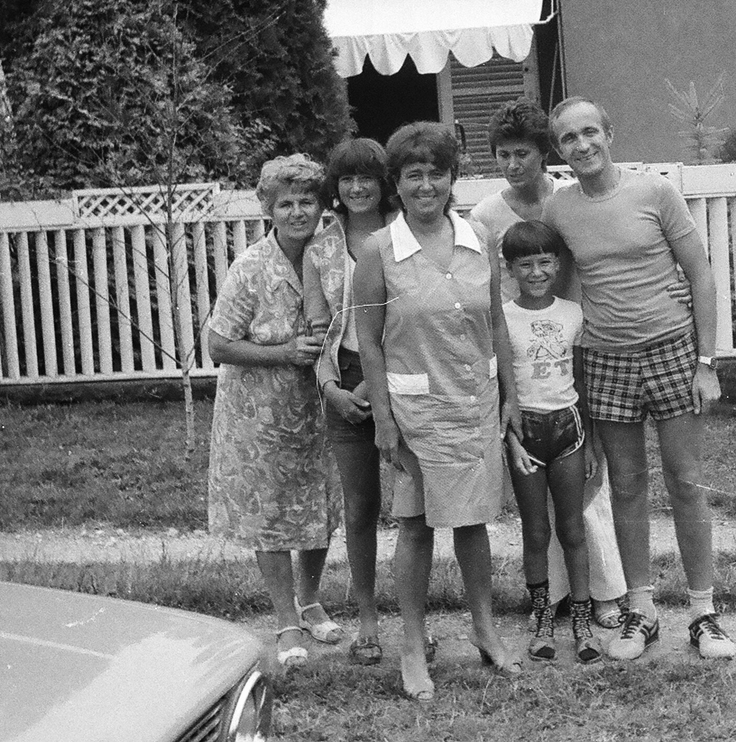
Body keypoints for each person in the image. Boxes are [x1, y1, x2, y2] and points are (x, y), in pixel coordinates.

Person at [542, 97, 736, 661]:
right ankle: (642, 611)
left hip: (673, 351)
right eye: (568, 139)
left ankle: (703, 612)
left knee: (685, 480)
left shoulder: (655, 193)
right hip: (605, 359)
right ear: (559, 151)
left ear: (609, 134)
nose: (581, 146)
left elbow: (699, 272)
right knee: (625, 485)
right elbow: (557, 283)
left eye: (589, 133)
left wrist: (707, 362)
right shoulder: (559, 210)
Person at [353, 121, 522, 702]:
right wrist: (381, 417)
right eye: (413, 175)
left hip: (474, 401)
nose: (426, 185)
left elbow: (496, 320)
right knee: (418, 526)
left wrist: (511, 396)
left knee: (474, 523)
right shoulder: (378, 252)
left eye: (437, 173)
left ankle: (485, 629)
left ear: (452, 178)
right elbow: (369, 341)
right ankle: (411, 644)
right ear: (395, 183)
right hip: (414, 413)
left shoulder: (480, 239)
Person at [469, 99, 627, 630]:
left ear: (545, 154)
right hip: (520, 354)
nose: (514, 165)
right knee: (536, 504)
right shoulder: (487, 215)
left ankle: (603, 592)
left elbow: (586, 266)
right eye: (503, 155)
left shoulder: (566, 201)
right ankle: (553, 596)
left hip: (572, 341)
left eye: (524, 154)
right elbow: (487, 294)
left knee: (585, 486)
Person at [206, 153, 340, 672]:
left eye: (307, 201)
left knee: (318, 510)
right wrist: (284, 353)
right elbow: (218, 345)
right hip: (258, 415)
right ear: (268, 209)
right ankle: (285, 619)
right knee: (271, 517)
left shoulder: (333, 257)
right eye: (286, 203)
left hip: (318, 407)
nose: (298, 212)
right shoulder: (252, 267)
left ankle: (310, 601)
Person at [302, 137, 395, 666]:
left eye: (367, 177)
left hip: (400, 374)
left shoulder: (403, 238)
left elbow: (409, 320)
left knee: (414, 511)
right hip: (344, 379)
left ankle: (412, 620)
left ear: (385, 183)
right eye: (346, 179)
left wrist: (372, 385)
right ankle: (367, 621)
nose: (357, 188)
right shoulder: (322, 249)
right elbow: (317, 328)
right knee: (360, 508)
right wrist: (331, 387)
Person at [498, 219, 602, 664]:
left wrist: (592, 443)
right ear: (510, 269)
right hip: (526, 433)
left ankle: (581, 620)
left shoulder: (572, 313)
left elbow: (583, 380)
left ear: (558, 264)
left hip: (569, 430)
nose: (537, 272)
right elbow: (500, 387)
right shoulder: (501, 317)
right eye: (526, 264)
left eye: (545, 262)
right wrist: (511, 441)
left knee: (573, 528)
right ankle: (542, 617)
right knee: (536, 530)